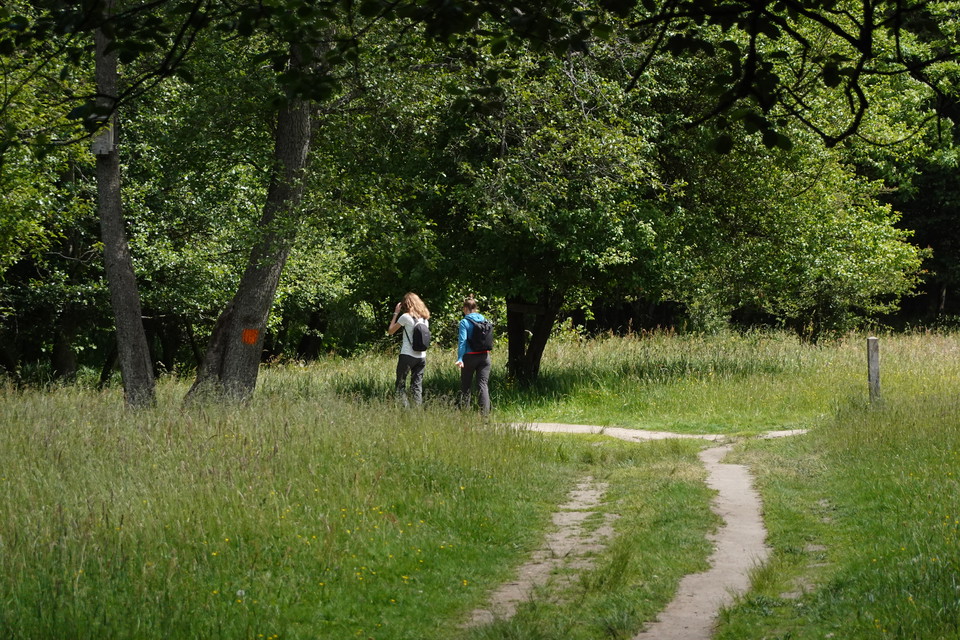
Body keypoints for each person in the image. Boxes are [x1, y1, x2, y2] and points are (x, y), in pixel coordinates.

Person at [387, 292, 430, 407]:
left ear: (406, 304)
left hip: (407, 355)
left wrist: (395, 313)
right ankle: (417, 411)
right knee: (417, 385)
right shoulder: (425, 319)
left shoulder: (405, 317)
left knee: (400, 384)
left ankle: (404, 410)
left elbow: (391, 331)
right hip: (421, 357)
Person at [455, 297, 491, 414]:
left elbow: (462, 342)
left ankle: (466, 414)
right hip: (485, 356)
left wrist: (460, 358)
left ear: (465, 308)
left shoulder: (464, 322)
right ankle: (485, 416)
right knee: (483, 385)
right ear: (475, 308)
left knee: (466, 386)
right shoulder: (484, 320)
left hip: (469, 357)